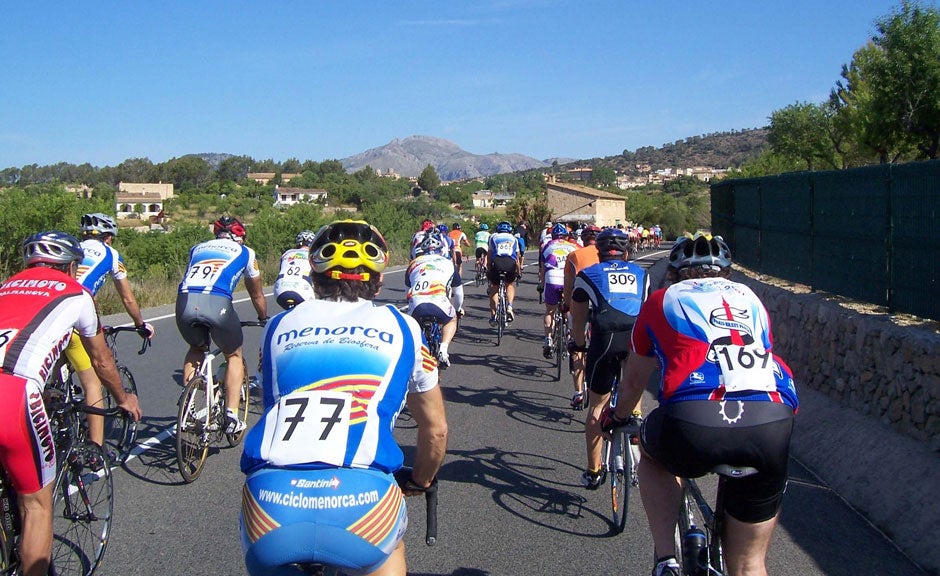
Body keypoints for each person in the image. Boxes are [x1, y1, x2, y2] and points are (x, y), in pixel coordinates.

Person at [239, 219, 448, 576]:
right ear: (378, 281)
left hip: (270, 506)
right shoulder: (404, 327)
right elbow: (436, 430)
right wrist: (421, 479)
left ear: (314, 278)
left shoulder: (276, 327)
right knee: (388, 551)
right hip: (362, 505)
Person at [600, 234, 798, 576]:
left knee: (651, 453)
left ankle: (666, 558)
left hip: (693, 418)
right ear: (727, 273)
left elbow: (632, 382)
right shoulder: (750, 298)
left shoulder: (663, 299)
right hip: (771, 419)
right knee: (749, 563)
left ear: (674, 273)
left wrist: (616, 417)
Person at [0, 231, 142, 576]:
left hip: (14, 386)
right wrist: (123, 398)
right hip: (13, 396)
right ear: (70, 266)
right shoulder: (77, 293)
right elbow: (102, 362)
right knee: (36, 506)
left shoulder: (5, 287)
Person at [568, 228, 649, 488]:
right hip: (636, 337)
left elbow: (578, 318)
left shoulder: (588, 274)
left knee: (597, 405)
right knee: (633, 383)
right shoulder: (642, 273)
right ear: (626, 253)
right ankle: (634, 419)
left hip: (606, 338)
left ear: (598, 253)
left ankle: (594, 471)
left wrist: (578, 344)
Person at [175, 215, 267, 435]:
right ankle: (232, 416)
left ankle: (189, 407)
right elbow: (256, 294)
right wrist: (263, 317)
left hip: (184, 301)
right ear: (239, 236)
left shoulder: (197, 248)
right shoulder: (246, 252)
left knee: (196, 348)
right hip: (216, 302)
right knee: (233, 355)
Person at [69, 212, 153, 452]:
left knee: (55, 376)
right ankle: (96, 449)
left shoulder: (70, 250)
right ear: (108, 238)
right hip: (75, 317)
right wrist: (140, 324)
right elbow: (127, 298)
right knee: (93, 383)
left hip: (50, 313)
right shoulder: (111, 255)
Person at [562, 224, 601, 409]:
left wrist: (566, 305)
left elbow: (568, 285)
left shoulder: (574, 255)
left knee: (577, 347)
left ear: (583, 240)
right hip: (603, 306)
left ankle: (578, 393)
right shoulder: (606, 254)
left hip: (580, 304)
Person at [406, 232, 458, 368]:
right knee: (452, 319)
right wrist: (458, 309)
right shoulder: (448, 263)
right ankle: (443, 349)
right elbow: (458, 293)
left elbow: (408, 290)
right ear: (441, 249)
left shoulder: (413, 263)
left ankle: (413, 353)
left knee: (411, 328)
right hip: (439, 303)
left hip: (416, 304)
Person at [538, 224, 579, 359]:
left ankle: (548, 339)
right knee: (570, 309)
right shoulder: (573, 246)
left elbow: (543, 268)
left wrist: (542, 285)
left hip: (552, 277)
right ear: (566, 236)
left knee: (550, 310)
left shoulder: (547, 246)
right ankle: (570, 336)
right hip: (568, 278)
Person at [486, 221, 522, 326]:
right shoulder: (514, 239)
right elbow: (517, 259)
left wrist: (489, 268)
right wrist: (519, 272)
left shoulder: (493, 237)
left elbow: (489, 255)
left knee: (494, 287)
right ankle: (509, 306)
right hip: (510, 263)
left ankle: (494, 315)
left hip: (497, 263)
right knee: (509, 284)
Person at [273, 229, 317, 310]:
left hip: (279, 289)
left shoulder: (287, 253)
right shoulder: (313, 255)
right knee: (312, 313)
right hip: (302, 288)